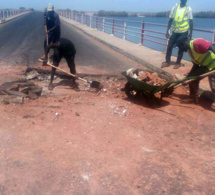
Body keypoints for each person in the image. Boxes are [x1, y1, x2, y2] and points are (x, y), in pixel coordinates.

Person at [176, 37, 215, 104]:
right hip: (205, 66)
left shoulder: (197, 43)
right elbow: (196, 65)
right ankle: (193, 99)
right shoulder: (190, 51)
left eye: (180, 47)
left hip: (213, 64)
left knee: (214, 87)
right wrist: (188, 77)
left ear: (183, 44)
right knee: (192, 79)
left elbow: (211, 47)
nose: (180, 49)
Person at [161, 0, 193, 69]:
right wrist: (167, 30)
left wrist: (190, 33)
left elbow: (191, 21)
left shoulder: (188, 9)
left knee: (181, 47)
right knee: (169, 46)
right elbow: (171, 20)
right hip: (175, 31)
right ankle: (167, 61)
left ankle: (178, 63)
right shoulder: (175, 7)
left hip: (184, 32)